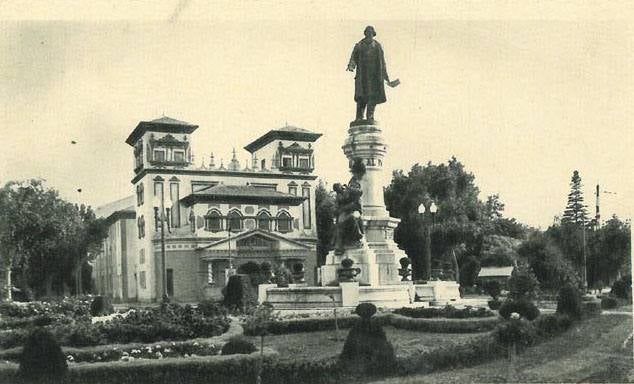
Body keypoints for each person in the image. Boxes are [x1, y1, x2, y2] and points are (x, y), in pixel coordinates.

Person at [347, 26, 392, 121]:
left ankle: (370, 116)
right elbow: (353, 57)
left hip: (374, 77)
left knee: (373, 97)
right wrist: (351, 65)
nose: (369, 34)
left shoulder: (377, 46)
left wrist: (386, 76)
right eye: (367, 32)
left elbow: (382, 62)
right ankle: (359, 117)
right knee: (361, 97)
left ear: (373, 34)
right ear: (365, 33)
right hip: (362, 76)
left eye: (371, 33)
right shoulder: (359, 45)